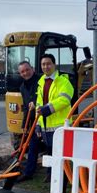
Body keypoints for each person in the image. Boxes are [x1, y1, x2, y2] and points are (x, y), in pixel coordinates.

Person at [36, 54, 74, 183]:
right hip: (46, 125)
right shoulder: (41, 82)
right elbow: (38, 104)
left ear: (54, 65)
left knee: (62, 154)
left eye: (48, 63)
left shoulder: (63, 81)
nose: (45, 66)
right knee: (50, 150)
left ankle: (64, 178)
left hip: (61, 125)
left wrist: (47, 109)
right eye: (43, 64)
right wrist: (38, 125)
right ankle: (51, 174)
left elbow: (64, 100)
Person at [16, 61, 40, 183]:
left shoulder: (41, 81)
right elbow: (26, 107)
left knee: (52, 146)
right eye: (22, 71)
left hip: (46, 118)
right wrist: (24, 124)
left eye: (27, 70)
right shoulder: (22, 87)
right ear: (20, 74)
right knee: (33, 145)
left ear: (32, 69)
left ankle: (51, 173)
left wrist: (36, 104)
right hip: (34, 120)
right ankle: (29, 172)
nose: (25, 73)